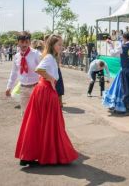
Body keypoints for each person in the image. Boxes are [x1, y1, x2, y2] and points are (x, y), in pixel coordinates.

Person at [15, 34, 78, 166]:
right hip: (46, 91)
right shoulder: (49, 57)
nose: (61, 47)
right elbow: (39, 69)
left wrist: (49, 79)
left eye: (61, 44)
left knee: (41, 123)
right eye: (59, 44)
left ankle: (30, 155)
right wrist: (49, 78)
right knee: (48, 123)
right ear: (52, 45)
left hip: (45, 91)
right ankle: (41, 154)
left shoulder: (51, 57)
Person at [6, 32, 41, 115]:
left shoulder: (36, 54)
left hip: (35, 88)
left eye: (26, 42)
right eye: (22, 42)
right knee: (25, 114)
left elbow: (43, 70)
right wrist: (9, 87)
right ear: (18, 42)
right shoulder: (17, 56)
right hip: (23, 88)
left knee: (36, 113)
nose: (24, 44)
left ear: (29, 42)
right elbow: (14, 72)